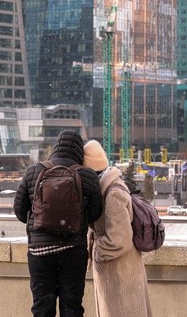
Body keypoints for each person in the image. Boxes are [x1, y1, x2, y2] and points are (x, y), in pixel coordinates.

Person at [13, 129, 103, 317]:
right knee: (72, 307)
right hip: (73, 251)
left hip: (40, 252)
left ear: (55, 147)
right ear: (80, 152)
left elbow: (20, 211)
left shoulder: (33, 171)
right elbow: (96, 214)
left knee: (41, 307)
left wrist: (40, 222)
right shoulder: (87, 176)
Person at [83, 140, 153, 317]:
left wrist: (96, 251)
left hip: (121, 275)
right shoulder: (107, 189)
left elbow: (119, 240)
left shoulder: (113, 194)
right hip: (118, 272)